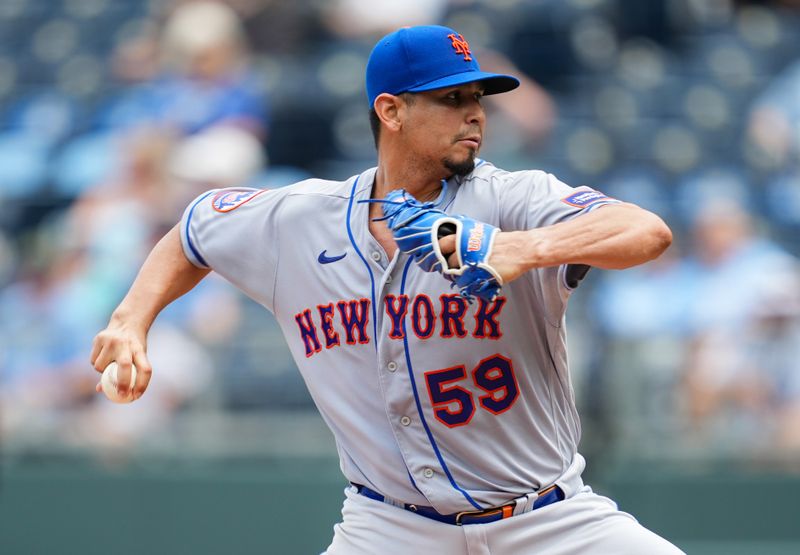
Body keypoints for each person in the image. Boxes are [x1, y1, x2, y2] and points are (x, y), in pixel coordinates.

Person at [91, 25, 680, 554]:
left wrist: (518, 249)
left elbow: (645, 231)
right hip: (390, 528)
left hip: (547, 521)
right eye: (452, 99)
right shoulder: (301, 219)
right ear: (391, 111)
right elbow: (194, 230)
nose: (475, 114)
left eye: (478, 98)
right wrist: (130, 319)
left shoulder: (511, 200)